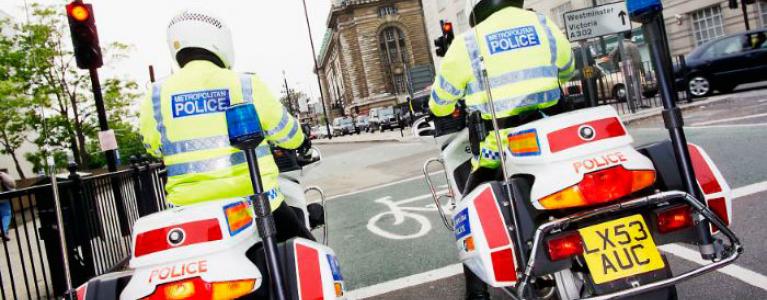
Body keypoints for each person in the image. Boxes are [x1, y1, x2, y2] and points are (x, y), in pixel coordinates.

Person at [428, 0, 574, 299]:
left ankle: (478, 292)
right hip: (554, 135)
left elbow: (439, 102)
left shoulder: (468, 42)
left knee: (468, 210)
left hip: (505, 146)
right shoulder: (543, 24)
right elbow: (568, 70)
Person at [139, 9, 313, 242]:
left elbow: (153, 147)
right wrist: (301, 140)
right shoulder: (245, 84)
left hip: (190, 212)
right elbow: (288, 133)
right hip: (257, 202)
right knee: (307, 252)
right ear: (220, 41)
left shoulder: (156, 94)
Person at [0, 170, 16, 242]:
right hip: (3, 199)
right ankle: (3, 231)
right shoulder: (1, 174)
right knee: (6, 215)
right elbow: (12, 184)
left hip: (4, 199)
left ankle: (5, 233)